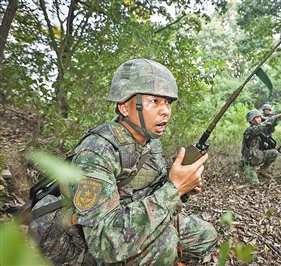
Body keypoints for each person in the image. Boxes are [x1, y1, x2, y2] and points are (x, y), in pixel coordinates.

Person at [28, 59, 217, 265]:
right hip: (90, 242)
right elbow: (102, 243)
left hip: (130, 216)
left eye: (168, 102)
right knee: (165, 247)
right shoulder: (97, 151)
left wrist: (183, 187)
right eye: (154, 101)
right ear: (125, 107)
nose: (165, 111)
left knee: (205, 236)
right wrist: (174, 189)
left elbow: (150, 191)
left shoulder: (150, 142)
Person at [240, 109, 281, 184]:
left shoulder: (259, 131)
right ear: (251, 120)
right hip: (249, 163)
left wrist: (271, 147)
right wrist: (277, 116)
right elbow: (265, 125)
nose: (259, 119)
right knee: (255, 183)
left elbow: (262, 144)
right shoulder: (251, 130)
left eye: (259, 117)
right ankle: (247, 170)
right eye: (256, 118)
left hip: (257, 157)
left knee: (274, 152)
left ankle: (263, 170)